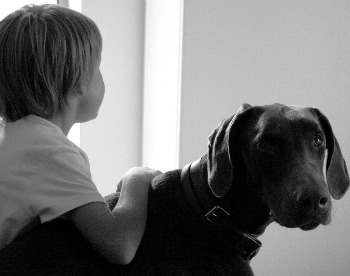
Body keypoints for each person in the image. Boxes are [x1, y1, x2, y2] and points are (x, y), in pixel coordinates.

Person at [0, 4, 161, 265]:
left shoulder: (18, 139)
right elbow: (119, 244)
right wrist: (137, 178)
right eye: (97, 68)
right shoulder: (49, 152)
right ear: (77, 81)